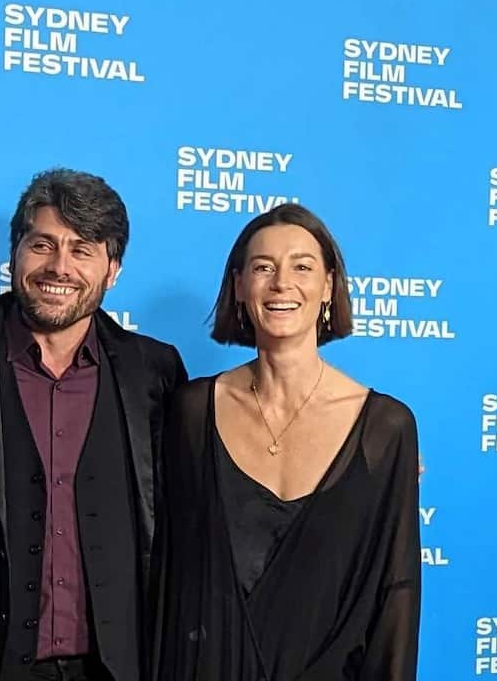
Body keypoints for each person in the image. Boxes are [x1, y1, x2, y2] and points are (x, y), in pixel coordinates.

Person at [154, 205, 421, 680]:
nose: (281, 283)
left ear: (328, 287)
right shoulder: (191, 411)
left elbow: (394, 599)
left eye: (302, 266)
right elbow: (167, 575)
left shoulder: (385, 429)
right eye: (263, 267)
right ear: (239, 286)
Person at [0, 169, 186, 681]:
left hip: (118, 668)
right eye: (43, 244)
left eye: (82, 250)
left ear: (112, 269)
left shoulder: (155, 373)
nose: (59, 267)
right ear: (16, 254)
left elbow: (215, 487)